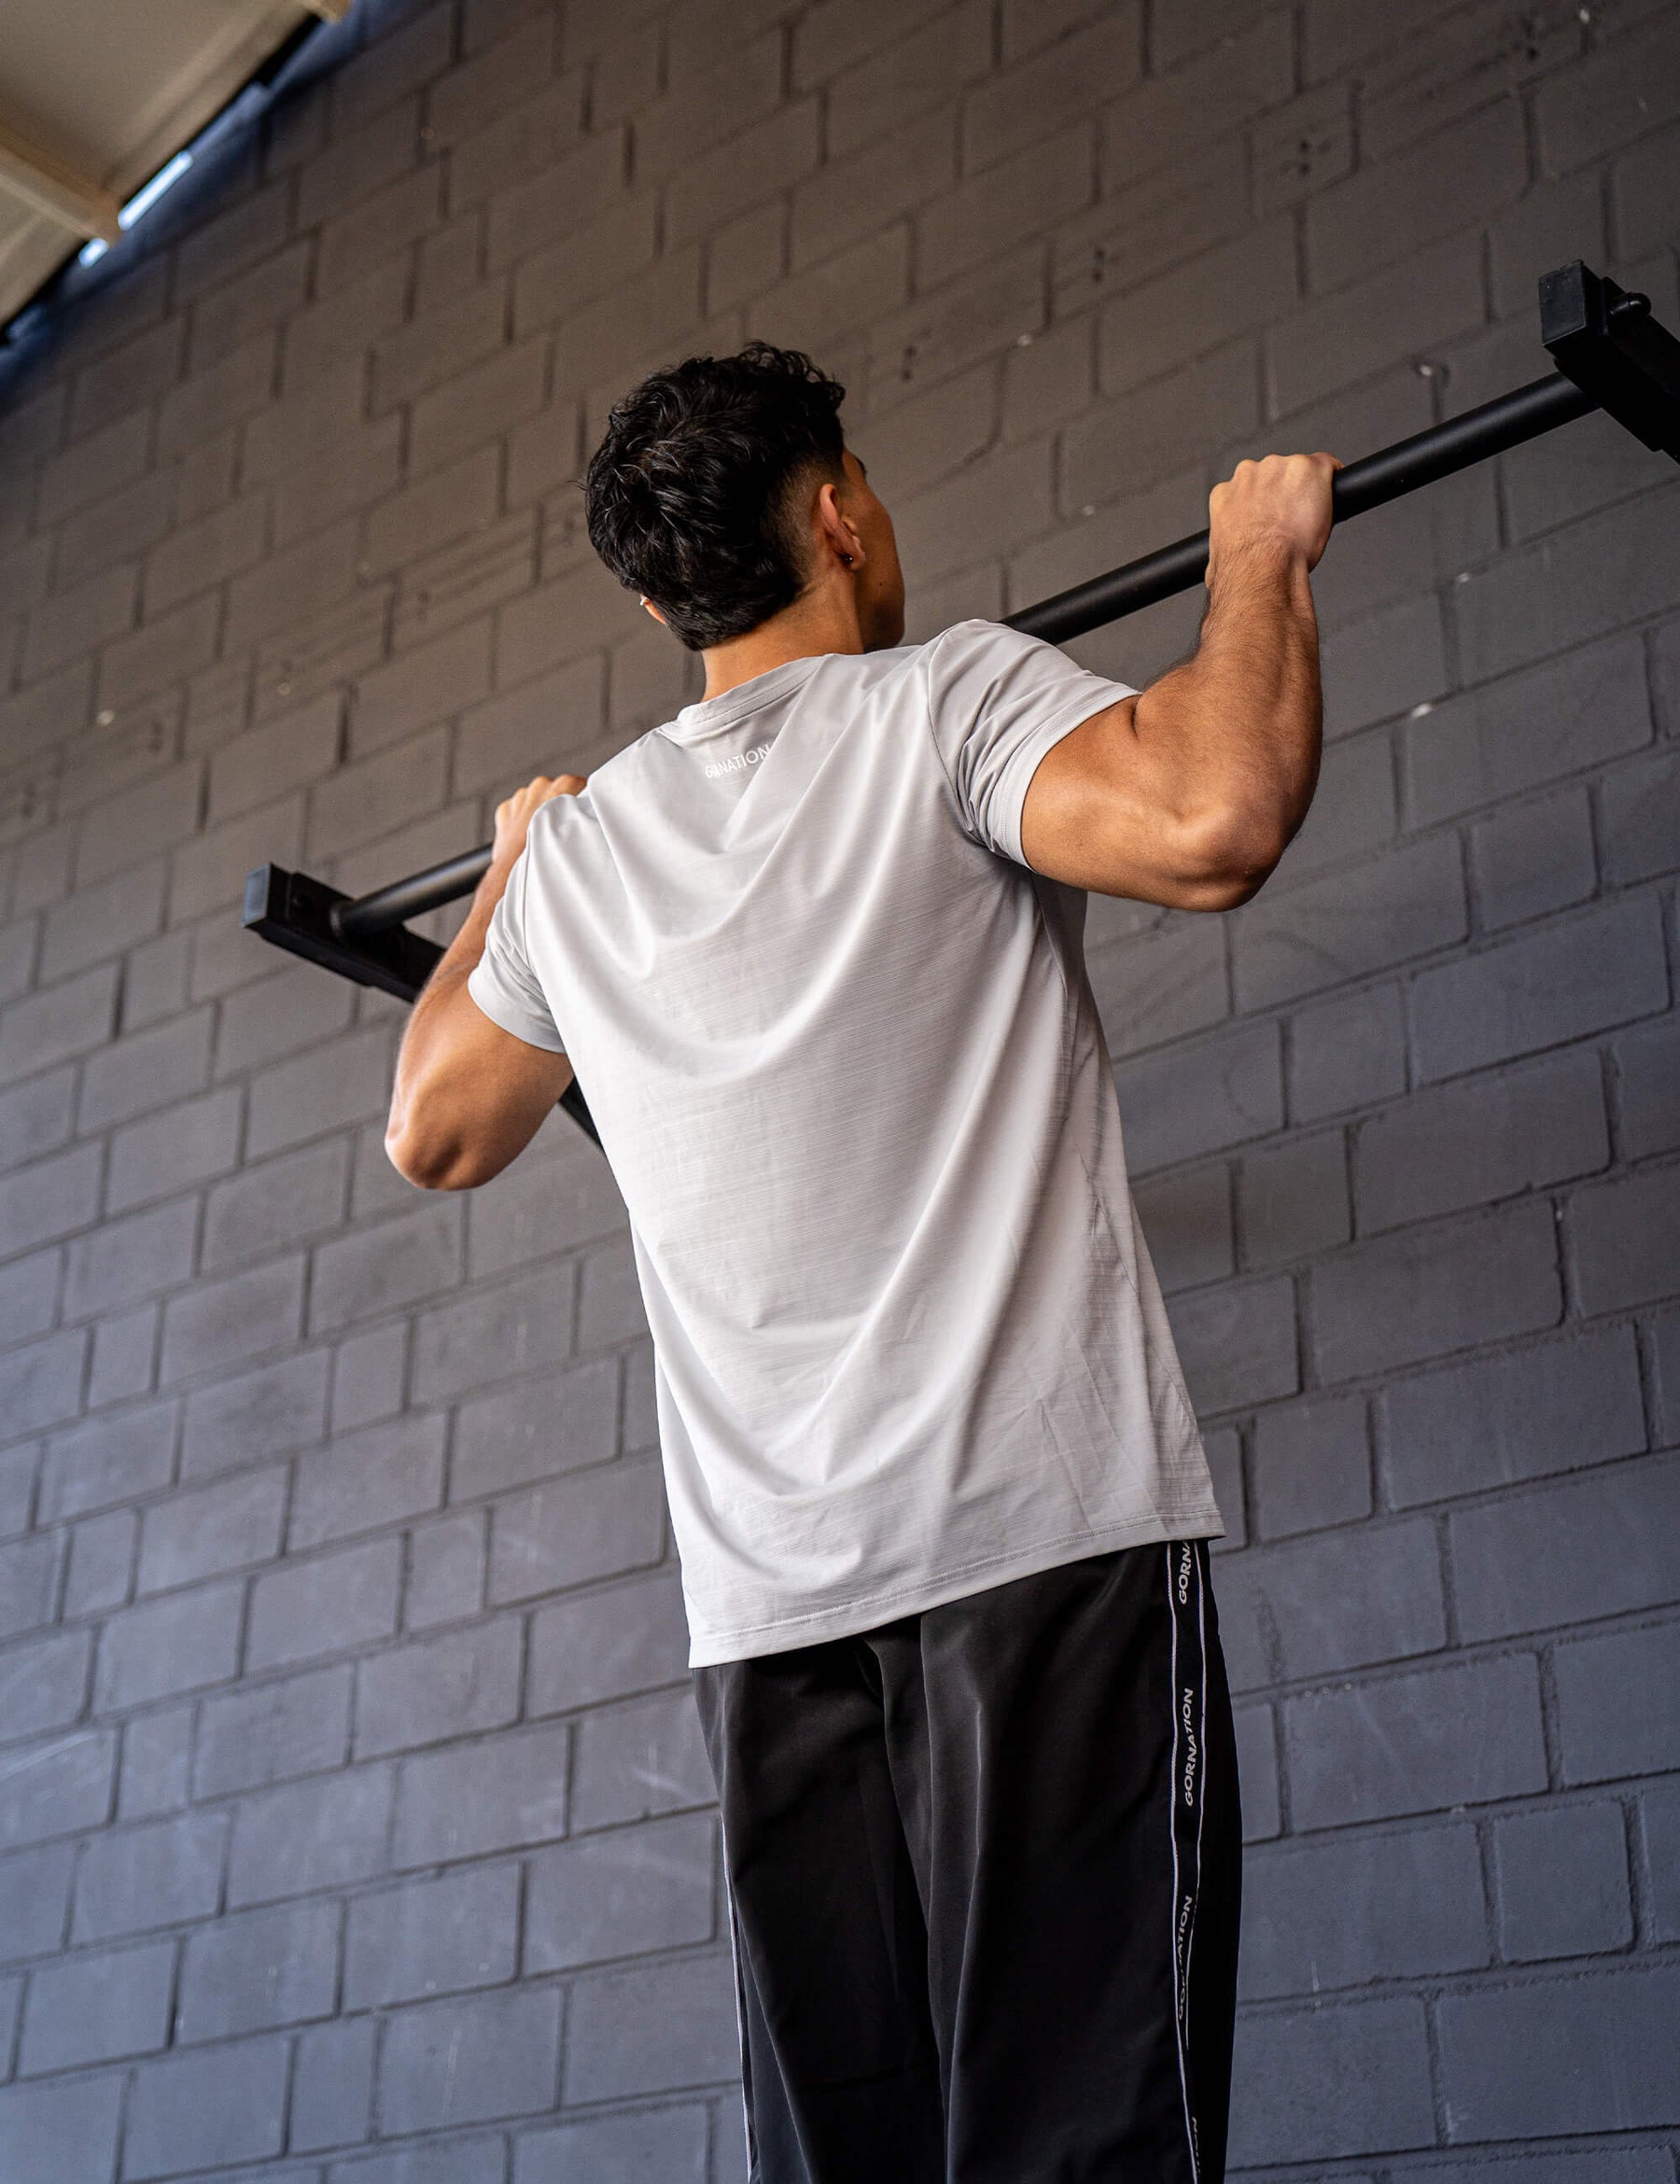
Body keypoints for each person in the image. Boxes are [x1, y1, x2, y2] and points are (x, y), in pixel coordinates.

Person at [385, 343, 1337, 2183]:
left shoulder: (582, 863)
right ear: (841, 510)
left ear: (663, 595)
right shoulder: (943, 704)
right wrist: (1260, 560)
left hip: (771, 1632)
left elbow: (436, 1125)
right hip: (1042, 1565)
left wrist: (512, 862)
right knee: (1086, 2151)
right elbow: (1215, 817)